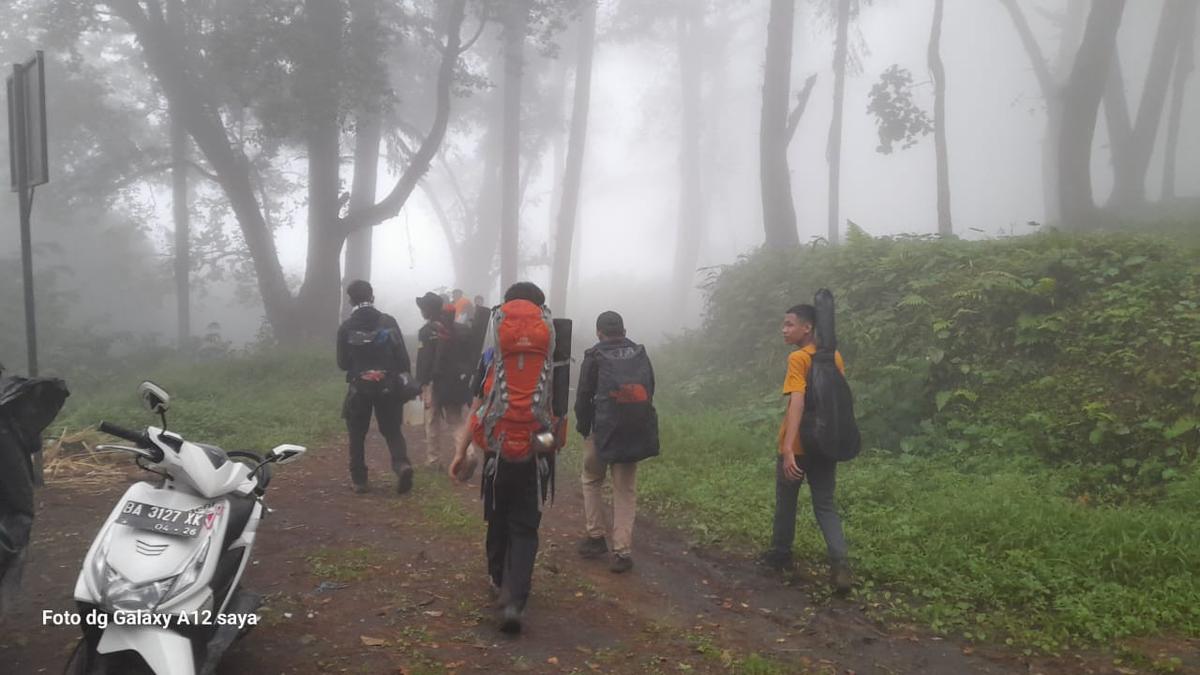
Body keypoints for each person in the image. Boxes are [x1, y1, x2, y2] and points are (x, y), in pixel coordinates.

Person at [449, 281, 556, 635]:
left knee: (497, 515)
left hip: (497, 446)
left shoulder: (491, 352)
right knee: (525, 525)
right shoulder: (553, 345)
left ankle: (498, 580)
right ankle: (515, 598)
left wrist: (462, 450)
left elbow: (478, 404)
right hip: (536, 447)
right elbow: (557, 409)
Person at [759, 304, 852, 594]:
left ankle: (781, 555)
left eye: (789, 324)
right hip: (826, 444)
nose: (784, 330)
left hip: (799, 444)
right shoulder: (833, 356)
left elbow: (797, 400)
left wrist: (788, 448)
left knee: (787, 500)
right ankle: (840, 564)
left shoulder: (798, 358)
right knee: (825, 504)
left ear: (807, 327)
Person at [574, 311, 659, 573]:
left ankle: (596, 537)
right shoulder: (639, 353)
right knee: (625, 491)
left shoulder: (594, 356)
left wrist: (585, 428)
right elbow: (650, 390)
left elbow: (583, 397)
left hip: (601, 431)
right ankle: (622, 552)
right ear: (624, 330)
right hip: (632, 431)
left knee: (591, 480)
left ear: (599, 332)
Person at [336, 280, 415, 495]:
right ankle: (402, 465)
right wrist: (403, 379)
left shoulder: (346, 327)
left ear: (350, 299)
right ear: (372, 296)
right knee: (391, 430)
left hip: (359, 387)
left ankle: (359, 480)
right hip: (387, 384)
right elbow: (402, 357)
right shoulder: (388, 321)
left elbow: (342, 363)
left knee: (357, 433)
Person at [416, 292, 473, 468]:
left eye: (422, 308)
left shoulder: (426, 332)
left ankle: (433, 460)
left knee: (432, 420)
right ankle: (468, 454)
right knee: (456, 420)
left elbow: (424, 361)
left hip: (434, 382)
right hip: (455, 382)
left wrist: (421, 382)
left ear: (427, 310)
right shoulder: (460, 329)